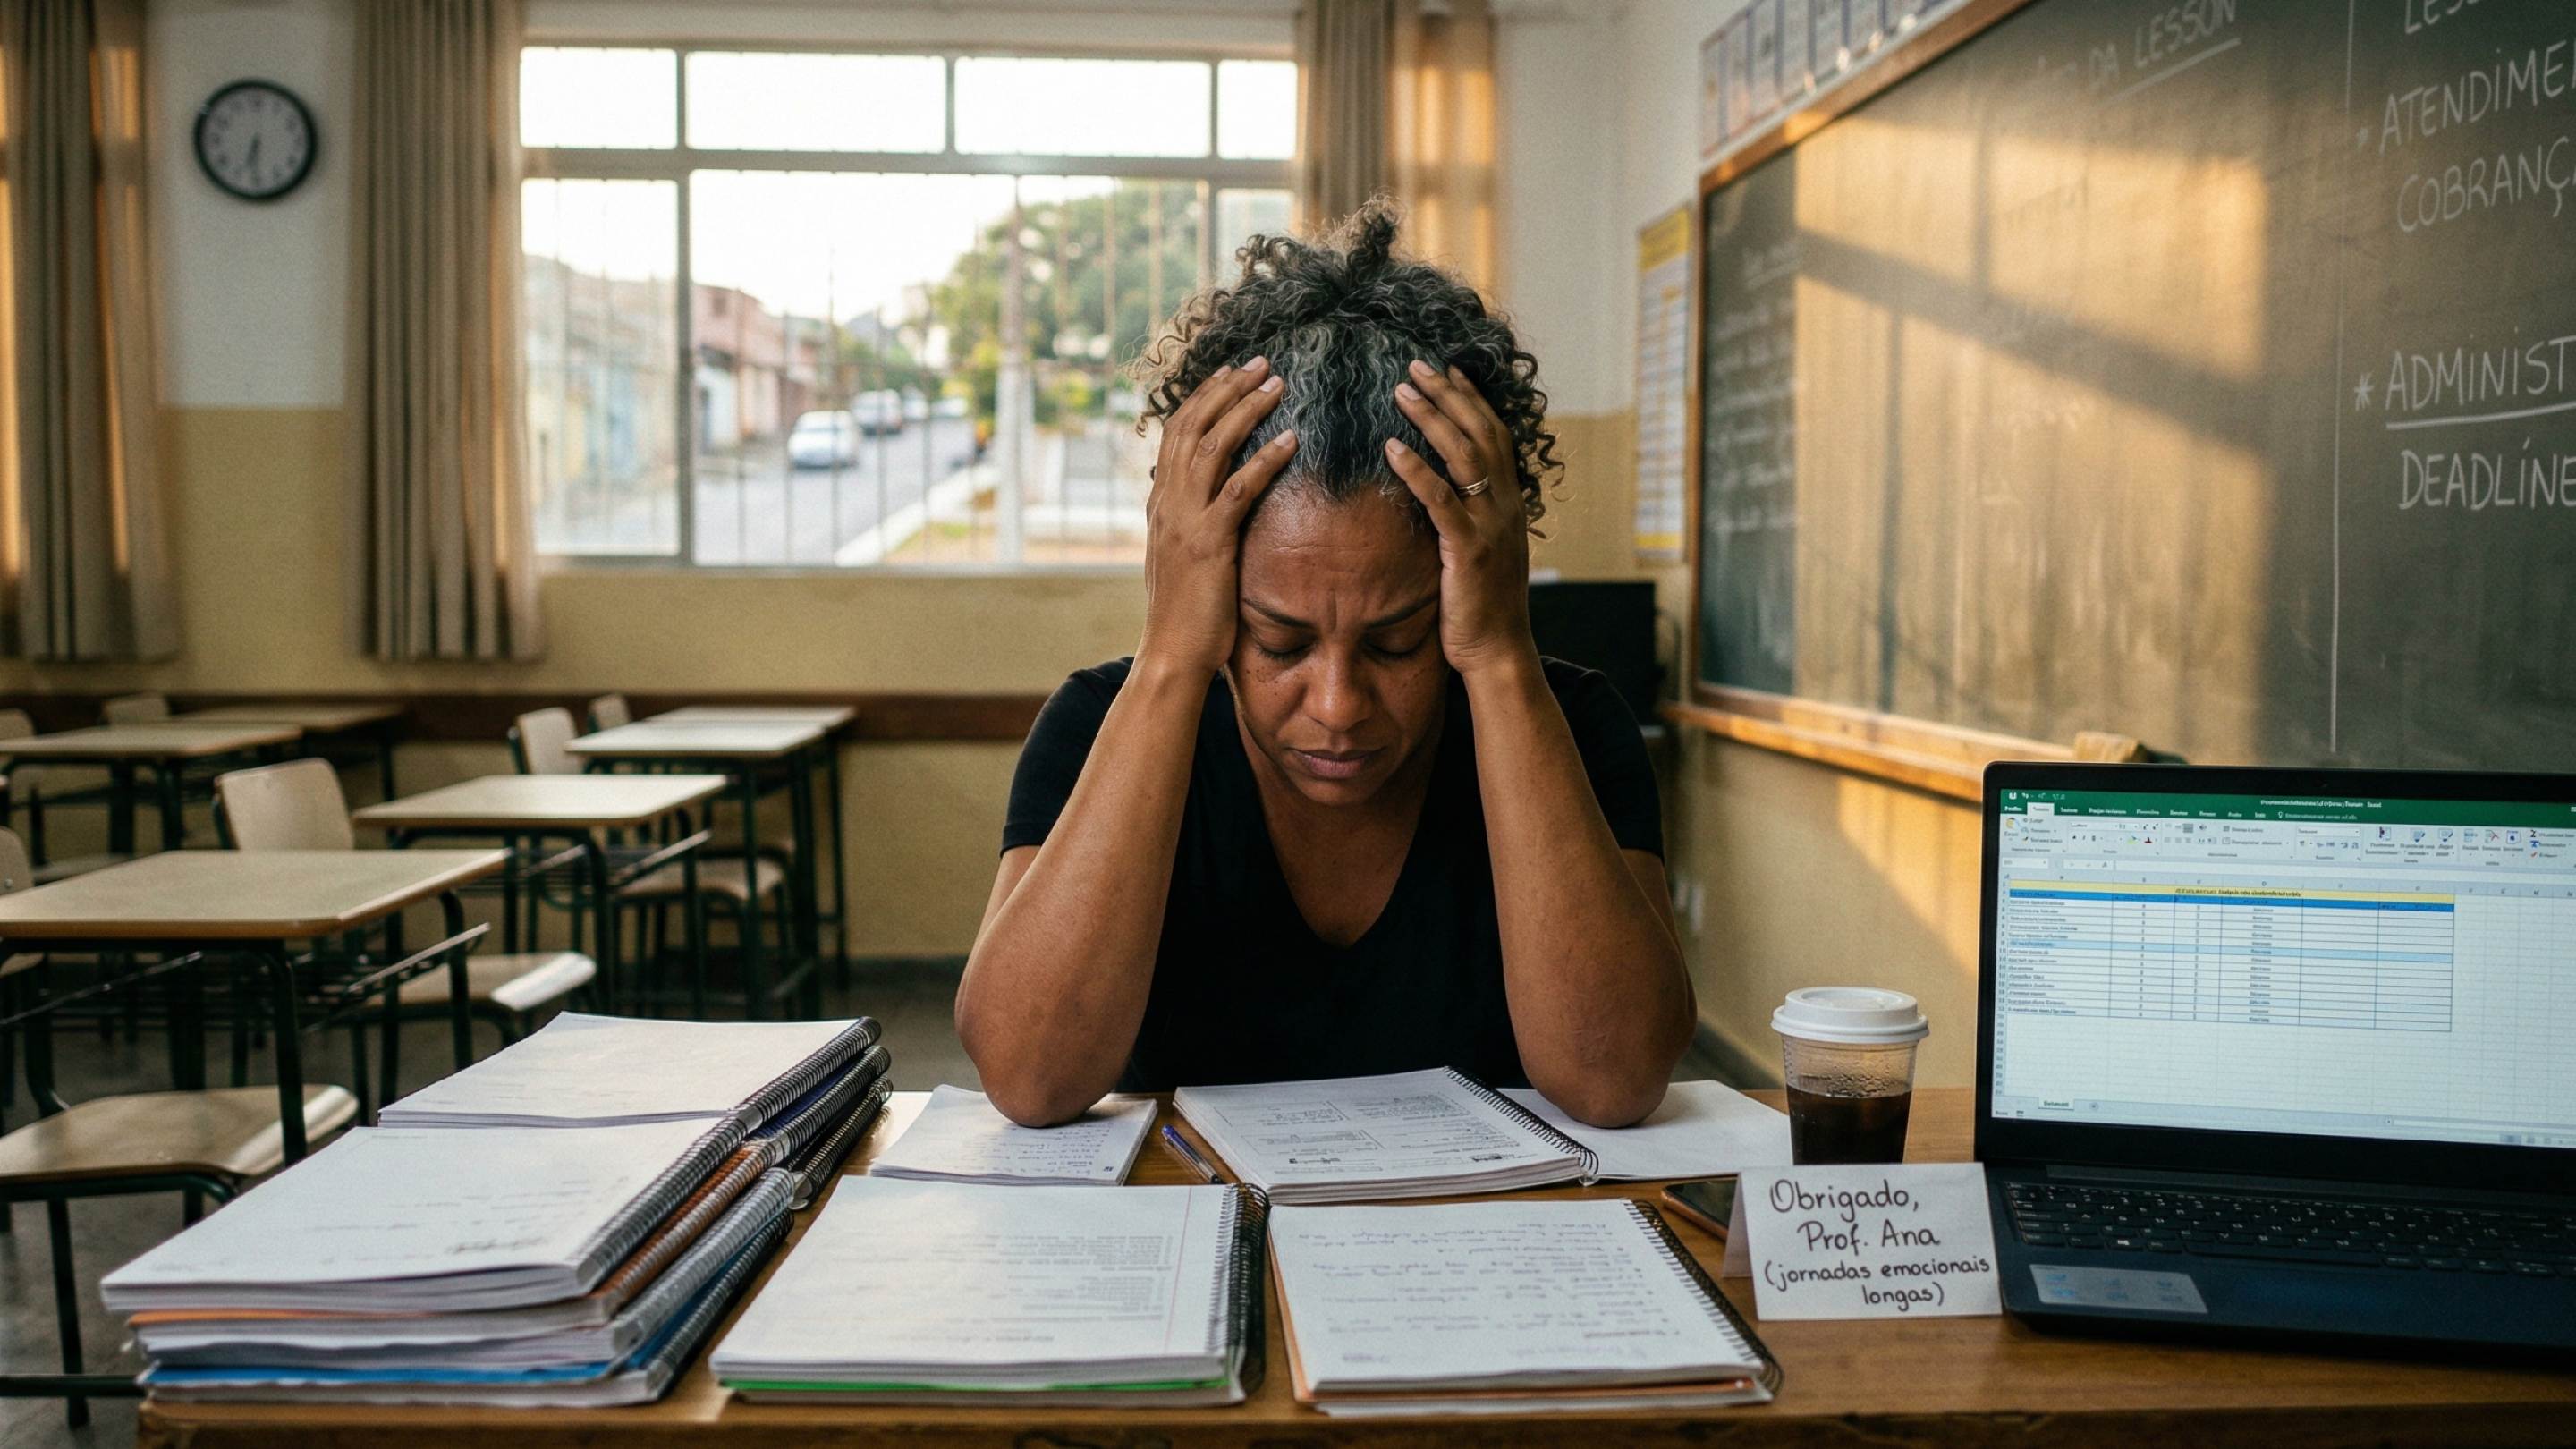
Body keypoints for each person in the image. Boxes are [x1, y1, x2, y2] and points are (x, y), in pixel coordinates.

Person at [957, 207, 1693, 1128]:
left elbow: (1615, 1079)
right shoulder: (1097, 724)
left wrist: (1501, 657)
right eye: (1279, 642)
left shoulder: (1573, 728)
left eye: (1397, 641)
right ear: (1210, 592)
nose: (1339, 706)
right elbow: (1029, 1079)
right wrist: (1172, 657)